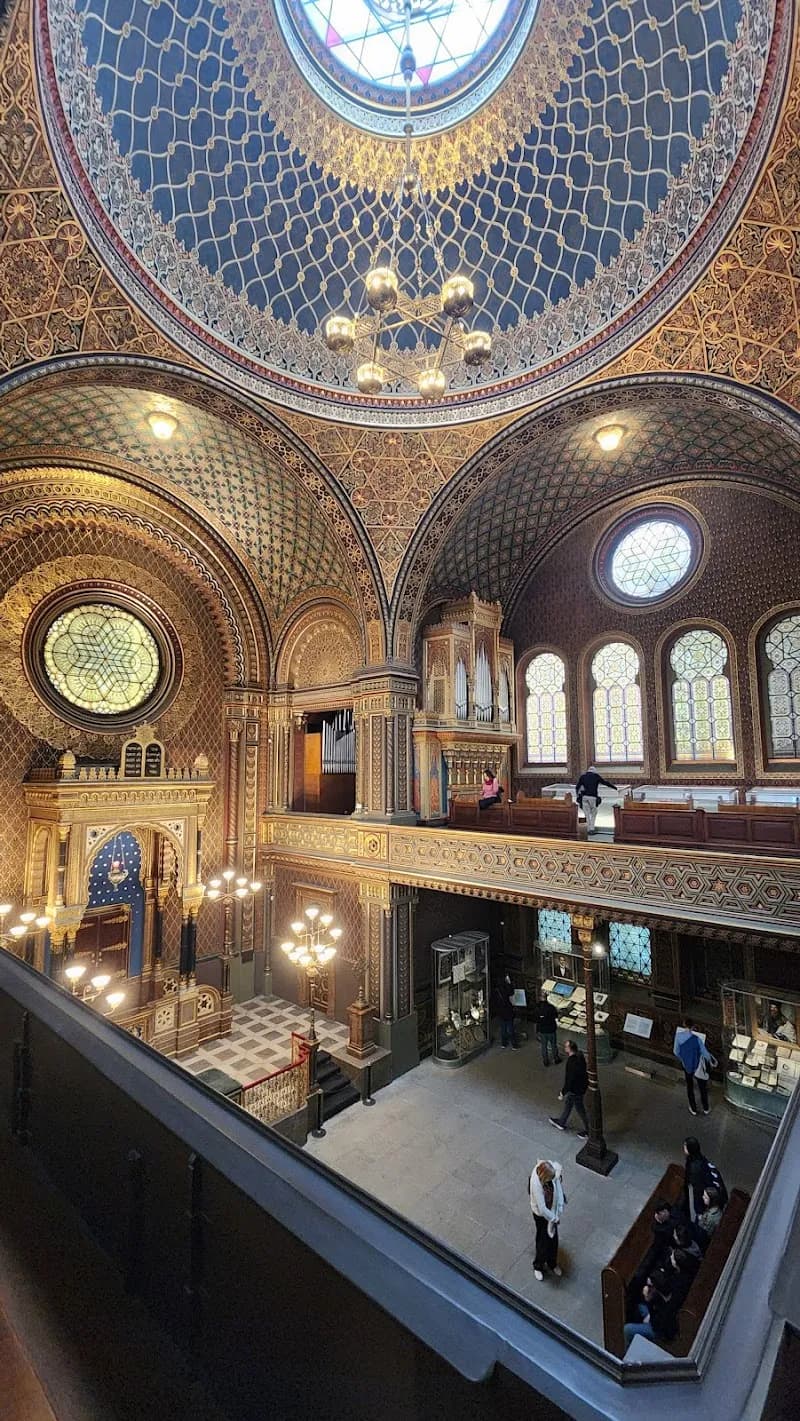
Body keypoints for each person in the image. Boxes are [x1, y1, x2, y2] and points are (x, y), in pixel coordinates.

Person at [528, 1158, 566, 1282]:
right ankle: (538, 1265)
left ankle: (552, 1263)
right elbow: (542, 1208)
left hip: (552, 1210)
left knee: (553, 1239)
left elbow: (558, 1188)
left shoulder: (552, 1172)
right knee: (543, 1240)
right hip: (540, 1215)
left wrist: (559, 1207)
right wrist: (554, 1218)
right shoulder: (536, 1183)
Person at [623, 1269, 678, 1350]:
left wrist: (649, 1316)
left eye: (649, 1286)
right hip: (654, 1318)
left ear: (656, 1288)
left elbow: (659, 1324)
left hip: (658, 1331)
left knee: (627, 1329)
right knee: (640, 1306)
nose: (646, 1288)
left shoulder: (666, 1305)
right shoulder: (661, 1294)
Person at [674, 1018, 716, 1116]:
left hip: (686, 1065)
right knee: (702, 1087)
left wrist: (683, 1059)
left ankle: (693, 1108)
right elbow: (705, 1054)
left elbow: (676, 1051)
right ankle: (706, 1108)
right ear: (693, 1027)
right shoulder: (697, 1039)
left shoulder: (678, 1036)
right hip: (697, 1065)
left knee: (690, 1086)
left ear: (684, 1025)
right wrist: (712, 1061)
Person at [549, 1038, 588, 1136]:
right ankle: (561, 1122)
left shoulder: (571, 1062)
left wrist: (563, 1092)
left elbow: (570, 1078)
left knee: (580, 1109)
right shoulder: (579, 1057)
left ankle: (589, 1129)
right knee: (569, 1104)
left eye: (566, 1046)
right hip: (580, 1087)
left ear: (570, 1049)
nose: (564, 1047)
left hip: (575, 1089)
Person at [683, 1136, 728, 1219]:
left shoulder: (695, 1167)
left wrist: (698, 1210)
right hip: (717, 1193)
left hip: (712, 1195)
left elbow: (697, 1189)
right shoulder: (701, 1159)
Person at [575, 765, 617, 834]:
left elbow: (577, 787)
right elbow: (605, 782)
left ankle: (588, 829)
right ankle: (592, 828)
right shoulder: (596, 776)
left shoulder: (583, 776)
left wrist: (578, 796)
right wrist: (614, 787)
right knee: (594, 813)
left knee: (587, 813)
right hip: (592, 797)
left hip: (584, 797)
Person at [533, 993, 560, 1066]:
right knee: (553, 1045)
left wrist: (536, 1031)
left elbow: (535, 1020)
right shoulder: (551, 1007)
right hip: (551, 1029)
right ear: (546, 998)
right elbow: (556, 1016)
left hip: (542, 1030)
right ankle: (556, 1058)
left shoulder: (537, 1008)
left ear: (540, 998)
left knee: (544, 1046)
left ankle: (545, 1061)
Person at [494, 972, 519, 1049]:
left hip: (500, 1012)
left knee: (503, 1029)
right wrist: (509, 983)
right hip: (508, 1011)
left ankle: (504, 1043)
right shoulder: (506, 988)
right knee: (510, 1028)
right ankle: (514, 1044)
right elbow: (511, 992)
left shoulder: (496, 990)